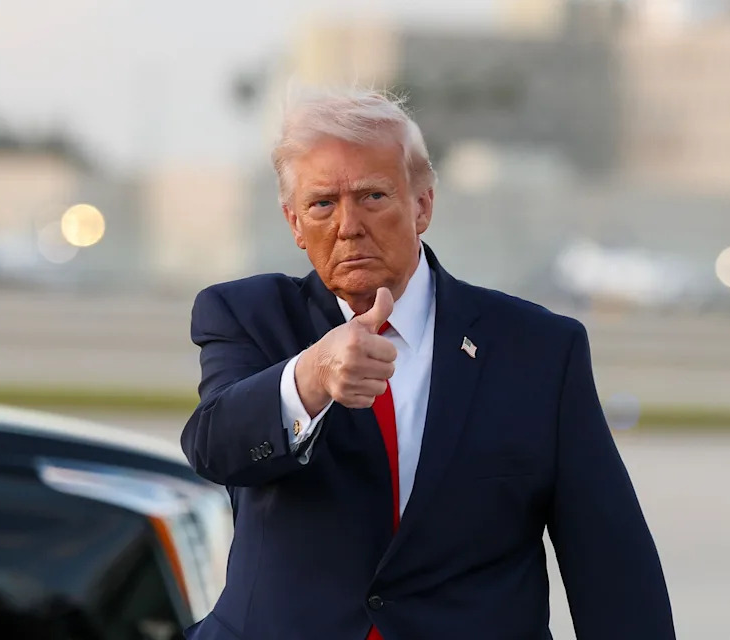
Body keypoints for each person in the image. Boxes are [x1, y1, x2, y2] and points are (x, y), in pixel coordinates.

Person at [180, 88, 675, 640]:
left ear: (422, 206)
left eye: (373, 196)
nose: (348, 225)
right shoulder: (246, 316)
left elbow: (611, 567)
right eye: (323, 204)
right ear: (294, 223)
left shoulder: (538, 351)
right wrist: (312, 377)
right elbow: (214, 447)